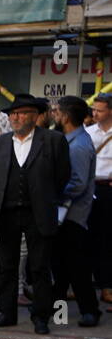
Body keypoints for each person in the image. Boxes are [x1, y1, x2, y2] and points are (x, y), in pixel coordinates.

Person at [0, 94, 70, 335]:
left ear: (35, 116)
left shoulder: (53, 140)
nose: (16, 117)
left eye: (22, 113)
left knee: (40, 267)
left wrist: (44, 196)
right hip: (7, 212)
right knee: (7, 266)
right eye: (13, 113)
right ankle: (7, 313)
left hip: (39, 212)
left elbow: (62, 176)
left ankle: (41, 316)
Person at [49, 95, 100, 327]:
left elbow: (77, 184)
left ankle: (90, 310)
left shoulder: (78, 145)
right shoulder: (68, 140)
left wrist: (50, 193)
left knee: (76, 265)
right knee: (61, 263)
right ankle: (56, 306)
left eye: (57, 111)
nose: (54, 115)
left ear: (66, 116)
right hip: (63, 213)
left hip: (72, 215)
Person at [85, 93, 112, 307]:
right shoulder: (88, 133)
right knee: (87, 237)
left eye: (99, 110)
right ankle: (84, 285)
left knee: (107, 239)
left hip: (109, 190)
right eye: (94, 109)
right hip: (89, 188)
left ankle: (106, 286)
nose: (94, 113)